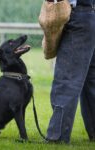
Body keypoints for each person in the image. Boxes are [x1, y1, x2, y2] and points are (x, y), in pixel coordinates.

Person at [45, 0, 95, 143]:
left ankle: (57, 136)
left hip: (79, 13)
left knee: (67, 80)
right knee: (90, 81)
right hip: (90, 15)